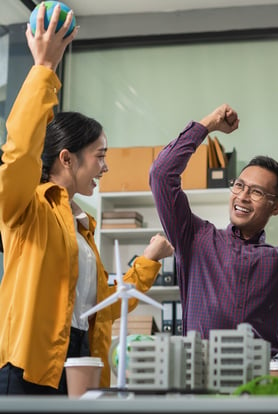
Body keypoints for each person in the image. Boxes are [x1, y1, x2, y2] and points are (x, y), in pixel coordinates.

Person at [0, 5, 174, 395]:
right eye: (100, 154)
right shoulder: (26, 207)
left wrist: (148, 262)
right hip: (27, 365)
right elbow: (20, 151)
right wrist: (44, 68)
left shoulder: (82, 227)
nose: (106, 167)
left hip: (77, 358)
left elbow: (102, 306)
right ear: (67, 157)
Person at [149, 104, 278, 356]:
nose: (243, 197)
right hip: (200, 379)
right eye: (239, 186)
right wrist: (207, 125)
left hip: (260, 383)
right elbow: (162, 175)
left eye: (257, 192)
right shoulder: (194, 238)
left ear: (277, 207)